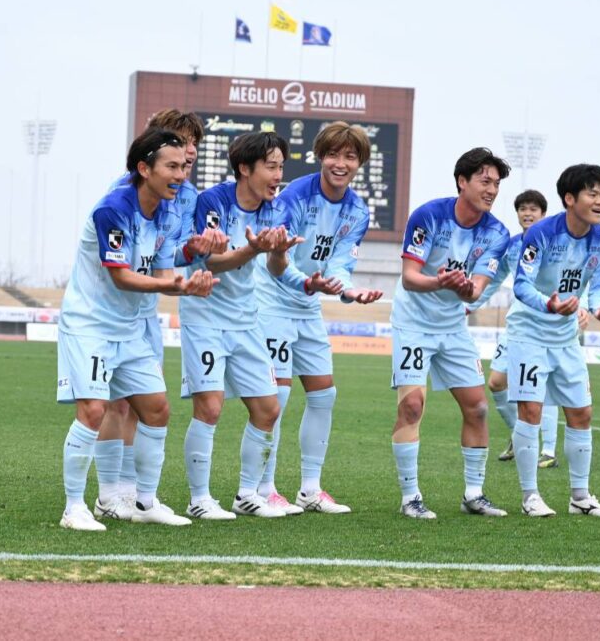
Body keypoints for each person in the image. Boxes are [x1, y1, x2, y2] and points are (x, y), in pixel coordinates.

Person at [55, 127, 217, 531]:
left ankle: (144, 501)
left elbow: (162, 274)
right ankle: (74, 508)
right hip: (90, 326)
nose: (181, 175)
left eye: (184, 167)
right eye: (172, 167)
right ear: (145, 169)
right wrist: (177, 286)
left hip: (130, 327)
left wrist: (187, 284)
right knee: (93, 410)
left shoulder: (166, 212)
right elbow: (122, 276)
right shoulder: (112, 209)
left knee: (157, 408)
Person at [257, 121, 382, 515]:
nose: (340, 163)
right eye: (333, 154)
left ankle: (310, 489)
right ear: (320, 157)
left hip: (307, 304)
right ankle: (263, 488)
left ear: (360, 162)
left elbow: (341, 263)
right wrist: (309, 284)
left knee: (324, 394)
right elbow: (278, 260)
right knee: (276, 396)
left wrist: (348, 290)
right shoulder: (294, 196)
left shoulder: (357, 210)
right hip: (272, 300)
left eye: (350, 156)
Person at [181, 131, 300, 520]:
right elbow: (212, 262)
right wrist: (253, 247)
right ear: (245, 168)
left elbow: (276, 269)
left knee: (268, 408)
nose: (278, 175)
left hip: (246, 320)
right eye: (271, 166)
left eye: (281, 166)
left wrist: (278, 252)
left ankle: (247, 494)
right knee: (210, 407)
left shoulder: (275, 208)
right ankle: (199, 499)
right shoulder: (212, 202)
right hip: (205, 317)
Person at [389, 147, 511, 519]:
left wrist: (464, 289)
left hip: (453, 325)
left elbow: (476, 290)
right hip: (413, 322)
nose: (491, 190)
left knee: (478, 407)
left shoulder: (497, 233)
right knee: (412, 406)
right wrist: (440, 282)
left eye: (496, 184)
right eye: (485, 181)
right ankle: (410, 497)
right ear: (462, 181)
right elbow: (410, 279)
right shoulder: (428, 215)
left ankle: (474, 494)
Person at [507, 164, 600, 518]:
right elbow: (521, 284)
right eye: (592, 193)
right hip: (529, 333)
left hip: (566, 336)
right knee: (531, 411)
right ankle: (530, 496)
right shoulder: (541, 233)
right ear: (569, 198)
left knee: (581, 412)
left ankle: (580, 498)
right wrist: (549, 304)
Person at [466, 189, 578, 468]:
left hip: (550, 324)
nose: (527, 214)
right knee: (496, 382)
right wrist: (471, 304)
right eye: (522, 209)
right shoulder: (513, 246)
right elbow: (494, 280)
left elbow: (575, 278)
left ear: (543, 214)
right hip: (519, 323)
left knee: (544, 389)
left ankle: (548, 451)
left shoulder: (557, 241)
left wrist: (583, 306)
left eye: (533, 209)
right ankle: (520, 437)